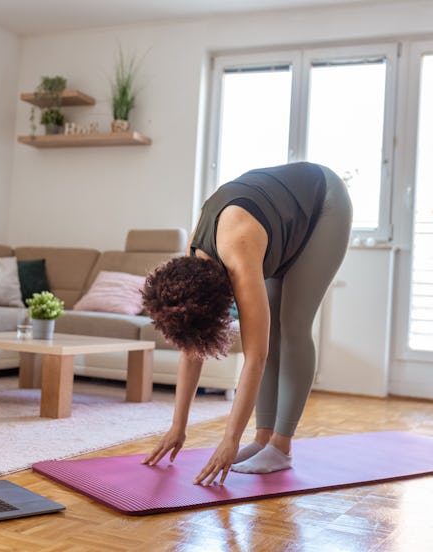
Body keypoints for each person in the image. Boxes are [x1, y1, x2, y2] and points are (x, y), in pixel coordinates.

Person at [141, 161, 352, 486]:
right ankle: (263, 438)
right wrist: (178, 426)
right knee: (277, 324)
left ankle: (281, 447)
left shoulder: (239, 253)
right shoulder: (193, 255)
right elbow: (191, 350)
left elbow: (256, 356)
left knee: (292, 325)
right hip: (275, 218)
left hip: (323, 204)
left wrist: (230, 439)